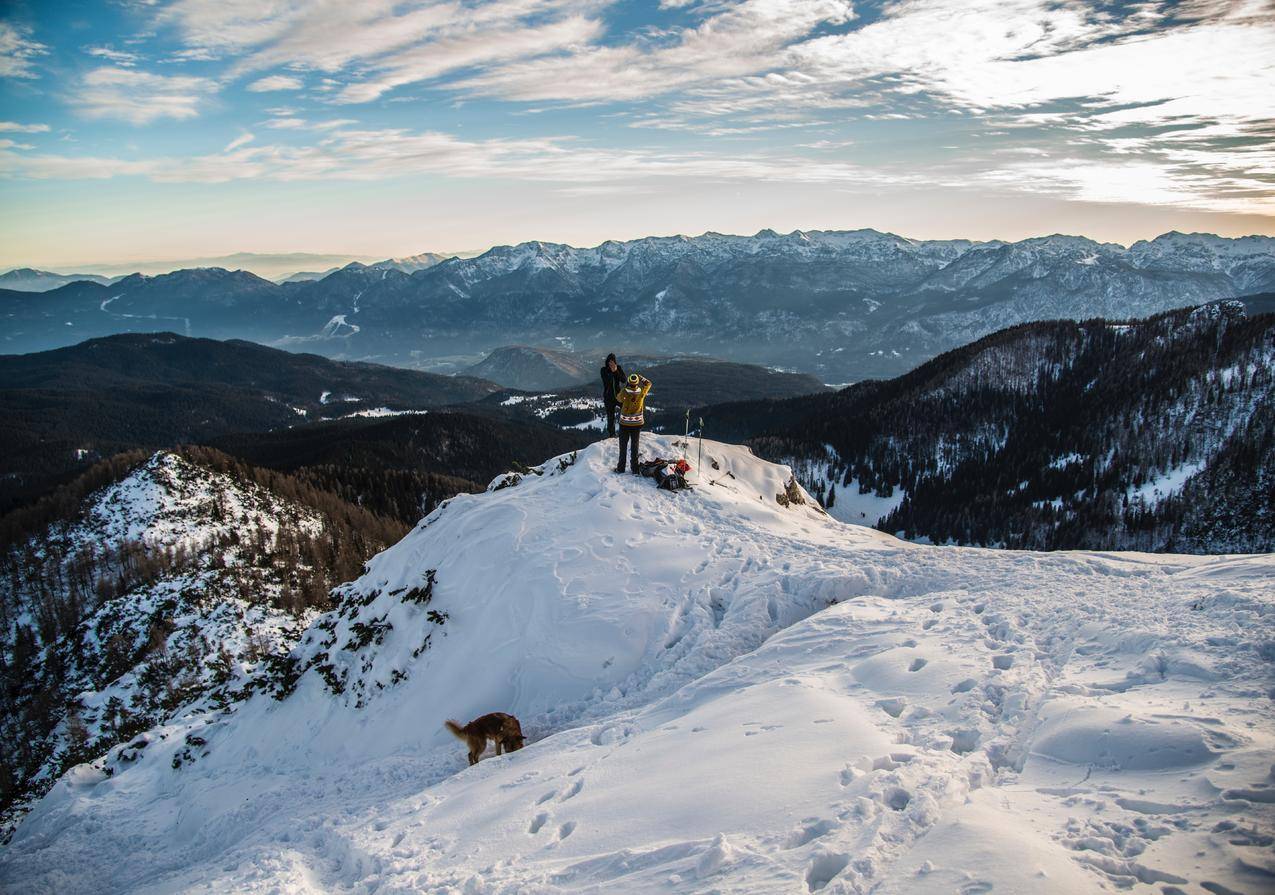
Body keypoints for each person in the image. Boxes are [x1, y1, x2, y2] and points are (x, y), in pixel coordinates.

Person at [615, 372, 652, 474]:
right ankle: (635, 469)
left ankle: (621, 468)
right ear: (636, 382)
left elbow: (618, 398)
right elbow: (648, 383)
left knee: (623, 446)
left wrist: (625, 387)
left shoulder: (624, 392)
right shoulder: (641, 392)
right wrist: (641, 377)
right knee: (635, 446)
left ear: (629, 382)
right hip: (637, 423)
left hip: (624, 423)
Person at [600, 353, 626, 437]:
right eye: (609, 361)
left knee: (625, 412)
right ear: (607, 362)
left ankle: (626, 430)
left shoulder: (618, 368)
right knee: (610, 417)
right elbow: (606, 382)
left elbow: (623, 380)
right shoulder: (603, 370)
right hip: (608, 397)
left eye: (612, 361)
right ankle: (612, 434)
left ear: (615, 362)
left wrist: (615, 371)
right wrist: (612, 372)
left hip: (619, 396)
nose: (611, 363)